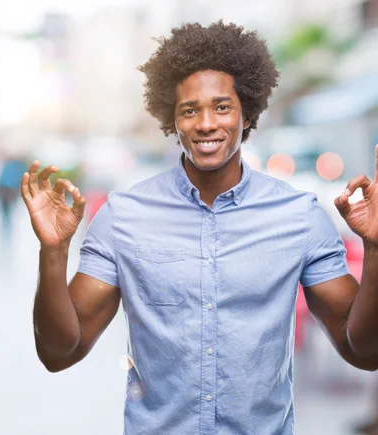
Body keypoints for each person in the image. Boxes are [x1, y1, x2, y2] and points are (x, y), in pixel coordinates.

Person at [20, 21, 378, 434]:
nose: (206, 123)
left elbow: (365, 351)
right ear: (172, 121)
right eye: (190, 110)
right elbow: (59, 352)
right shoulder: (124, 217)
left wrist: (375, 248)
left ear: (247, 114)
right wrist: (53, 252)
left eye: (222, 106)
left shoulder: (298, 217)